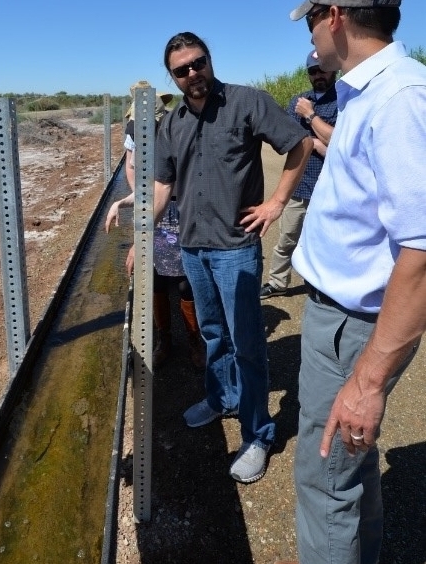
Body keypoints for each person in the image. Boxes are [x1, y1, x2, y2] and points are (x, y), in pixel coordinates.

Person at [271, 0, 426, 564]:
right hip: (339, 316)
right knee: (348, 466)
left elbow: (422, 248)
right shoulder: (368, 91)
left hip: (352, 326)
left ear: (333, 15)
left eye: (310, 19)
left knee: (324, 478)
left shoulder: (398, 99)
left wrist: (366, 380)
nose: (307, 33)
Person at [152, 32, 313, 483]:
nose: (192, 74)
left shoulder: (247, 102)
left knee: (246, 343)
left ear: (209, 60)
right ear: (173, 77)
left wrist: (276, 203)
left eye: (197, 63)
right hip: (193, 246)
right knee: (211, 333)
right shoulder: (173, 122)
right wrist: (140, 225)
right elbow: (164, 184)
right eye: (181, 70)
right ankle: (221, 398)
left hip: (235, 249)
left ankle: (258, 433)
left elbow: (298, 145)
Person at [105, 81, 207, 370]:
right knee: (156, 277)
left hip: (181, 210)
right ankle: (165, 338)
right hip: (155, 210)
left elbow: (170, 184)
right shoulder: (135, 130)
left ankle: (194, 339)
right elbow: (137, 173)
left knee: (188, 278)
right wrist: (125, 201)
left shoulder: (179, 131)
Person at [260, 49, 337, 298]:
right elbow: (290, 142)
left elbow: (341, 147)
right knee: (286, 239)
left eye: (322, 69)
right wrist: (316, 141)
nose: (318, 75)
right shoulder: (297, 100)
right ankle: (277, 282)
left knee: (327, 242)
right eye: (313, 71)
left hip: (330, 188)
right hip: (299, 185)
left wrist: (310, 117)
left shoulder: (344, 101)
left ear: (332, 69)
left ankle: (324, 286)